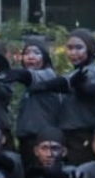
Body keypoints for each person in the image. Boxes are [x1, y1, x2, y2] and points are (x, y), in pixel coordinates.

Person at [8, 36, 64, 167]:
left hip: (42, 142)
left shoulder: (48, 75)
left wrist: (12, 73)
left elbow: (27, 76)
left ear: (45, 57)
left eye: (36, 53)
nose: (30, 57)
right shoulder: (27, 90)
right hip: (26, 141)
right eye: (26, 53)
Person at [56, 29, 95, 165]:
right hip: (68, 133)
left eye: (79, 48)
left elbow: (91, 93)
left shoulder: (92, 71)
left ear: (90, 49)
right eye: (70, 48)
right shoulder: (74, 72)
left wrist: (80, 87)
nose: (73, 53)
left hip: (83, 134)